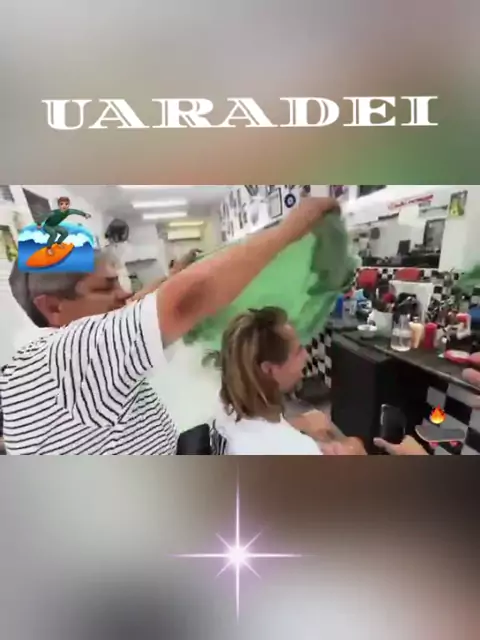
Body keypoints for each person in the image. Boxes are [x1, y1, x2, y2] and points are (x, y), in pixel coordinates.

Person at [0, 196, 338, 455]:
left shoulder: (36, 361)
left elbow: (133, 304)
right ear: (53, 307)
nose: (125, 294)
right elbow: (187, 300)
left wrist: (172, 277)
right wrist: (294, 227)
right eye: (105, 287)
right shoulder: (68, 360)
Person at [213, 306, 429, 455]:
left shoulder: (224, 406)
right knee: (355, 444)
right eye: (298, 351)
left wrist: (300, 426)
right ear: (269, 369)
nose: (306, 356)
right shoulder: (296, 450)